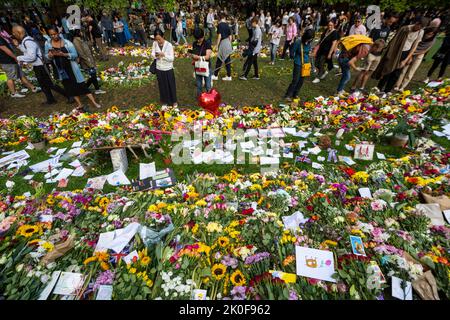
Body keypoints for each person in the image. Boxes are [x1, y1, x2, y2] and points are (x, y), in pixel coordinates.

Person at [44, 27, 101, 110]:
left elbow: (75, 54)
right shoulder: (47, 43)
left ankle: (94, 102)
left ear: (58, 33)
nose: (53, 36)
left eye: (55, 34)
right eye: (51, 35)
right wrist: (49, 56)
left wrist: (64, 54)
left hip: (71, 68)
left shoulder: (67, 43)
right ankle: (80, 104)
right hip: (61, 70)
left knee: (81, 86)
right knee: (70, 87)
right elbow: (46, 55)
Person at [12, 25, 67, 105]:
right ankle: (50, 100)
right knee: (43, 84)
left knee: (50, 84)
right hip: (37, 66)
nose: (13, 35)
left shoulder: (28, 41)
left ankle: (68, 95)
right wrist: (18, 46)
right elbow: (27, 51)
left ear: (18, 32)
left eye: (14, 33)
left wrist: (19, 58)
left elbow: (32, 57)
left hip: (41, 66)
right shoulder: (26, 40)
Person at [373, 16, 428, 93]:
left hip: (405, 53)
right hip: (396, 51)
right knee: (388, 69)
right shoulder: (405, 29)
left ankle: (387, 91)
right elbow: (394, 41)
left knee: (396, 73)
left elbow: (414, 46)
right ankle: (379, 88)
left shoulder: (420, 32)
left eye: (422, 27)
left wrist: (406, 59)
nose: (419, 28)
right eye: (419, 25)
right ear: (416, 23)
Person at [394, 26, 439, 91]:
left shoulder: (432, 40)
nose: (429, 36)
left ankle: (402, 87)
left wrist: (414, 54)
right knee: (404, 70)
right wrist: (410, 56)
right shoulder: (420, 34)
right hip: (411, 52)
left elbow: (425, 50)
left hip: (419, 55)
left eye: (431, 34)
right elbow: (413, 44)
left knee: (411, 72)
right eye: (428, 33)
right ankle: (397, 85)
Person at [0, 30, 39, 98]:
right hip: (6, 61)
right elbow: (5, 49)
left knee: (21, 75)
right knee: (10, 77)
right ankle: (13, 93)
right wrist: (15, 57)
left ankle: (33, 88)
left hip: (10, 59)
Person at [72, 29, 105, 95]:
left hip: (89, 60)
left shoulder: (80, 39)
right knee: (93, 75)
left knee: (92, 75)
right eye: (81, 31)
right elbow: (81, 53)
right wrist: (89, 63)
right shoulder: (76, 41)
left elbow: (88, 46)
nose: (82, 32)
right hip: (86, 62)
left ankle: (85, 88)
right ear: (77, 32)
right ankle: (96, 89)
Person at [284, 29, 314, 101]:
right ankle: (288, 95)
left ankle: (295, 94)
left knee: (301, 80)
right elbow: (292, 52)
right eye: (309, 38)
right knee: (295, 80)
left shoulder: (309, 43)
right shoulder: (298, 42)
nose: (310, 40)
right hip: (298, 63)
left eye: (311, 38)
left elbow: (309, 52)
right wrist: (295, 58)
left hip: (306, 64)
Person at [151, 29, 177, 107]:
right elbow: (152, 53)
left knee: (171, 85)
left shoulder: (168, 45)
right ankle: (164, 102)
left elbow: (172, 58)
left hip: (168, 69)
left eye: (160, 39)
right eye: (157, 39)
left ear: (163, 36)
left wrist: (163, 55)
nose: (158, 41)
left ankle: (174, 102)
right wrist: (155, 55)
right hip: (159, 68)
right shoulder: (155, 44)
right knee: (162, 86)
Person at [191, 28, 212, 97]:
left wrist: (197, 57)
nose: (198, 40)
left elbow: (207, 57)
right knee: (199, 84)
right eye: (197, 39)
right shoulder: (194, 44)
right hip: (198, 67)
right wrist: (192, 56)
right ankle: (200, 97)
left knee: (208, 85)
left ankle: (209, 97)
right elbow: (193, 54)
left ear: (203, 36)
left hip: (206, 66)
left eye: (200, 38)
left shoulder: (207, 43)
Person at [212, 13, 233, 81]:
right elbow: (230, 36)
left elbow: (219, 36)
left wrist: (217, 46)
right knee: (227, 60)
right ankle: (229, 76)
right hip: (228, 43)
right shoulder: (227, 25)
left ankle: (215, 75)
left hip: (223, 42)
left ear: (219, 18)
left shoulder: (220, 25)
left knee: (220, 59)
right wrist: (230, 45)